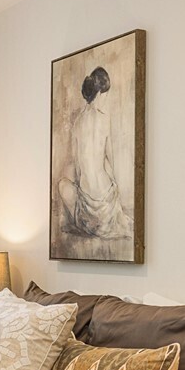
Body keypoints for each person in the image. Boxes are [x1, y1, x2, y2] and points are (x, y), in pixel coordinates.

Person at [58, 65, 132, 241]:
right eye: (106, 94)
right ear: (99, 93)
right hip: (106, 199)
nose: (106, 99)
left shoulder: (77, 123)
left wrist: (81, 187)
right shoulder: (104, 120)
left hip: (86, 202)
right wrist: (115, 189)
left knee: (62, 185)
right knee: (105, 175)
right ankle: (105, 217)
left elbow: (78, 167)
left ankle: (88, 222)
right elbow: (110, 159)